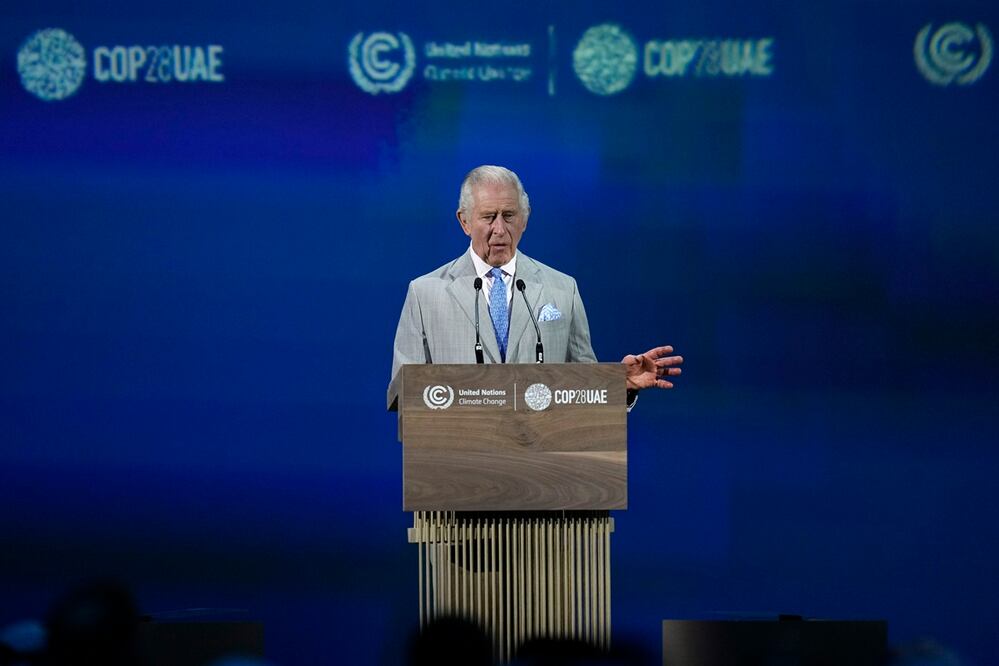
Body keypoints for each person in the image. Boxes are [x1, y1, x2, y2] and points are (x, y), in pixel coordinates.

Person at [388, 165, 682, 403]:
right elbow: (403, 392)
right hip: (457, 461)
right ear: (464, 222)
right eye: (489, 217)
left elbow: (584, 389)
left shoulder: (563, 290)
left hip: (540, 461)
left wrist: (621, 385)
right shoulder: (425, 293)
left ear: (525, 220)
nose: (500, 229)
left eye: (509, 216)